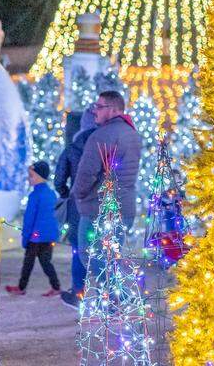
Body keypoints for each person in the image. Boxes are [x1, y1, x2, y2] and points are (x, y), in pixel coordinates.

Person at [70, 90, 140, 287]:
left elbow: (87, 173)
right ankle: (113, 305)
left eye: (99, 107)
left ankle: (120, 297)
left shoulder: (101, 136)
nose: (96, 112)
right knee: (110, 257)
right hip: (124, 208)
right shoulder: (132, 133)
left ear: (113, 109)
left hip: (98, 208)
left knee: (89, 256)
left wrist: (79, 195)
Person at [54, 102, 97, 307]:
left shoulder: (72, 148)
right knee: (100, 248)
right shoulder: (105, 144)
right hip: (101, 204)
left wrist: (65, 193)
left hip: (76, 205)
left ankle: (79, 292)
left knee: (78, 248)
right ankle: (105, 295)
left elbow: (59, 178)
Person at [5, 161, 62, 297]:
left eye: (31, 176)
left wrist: (26, 238)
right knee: (46, 262)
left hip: (35, 237)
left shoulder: (34, 196)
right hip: (48, 236)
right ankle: (56, 286)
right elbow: (55, 216)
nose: (28, 178)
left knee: (28, 263)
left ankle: (21, 287)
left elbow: (29, 220)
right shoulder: (52, 194)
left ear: (40, 177)